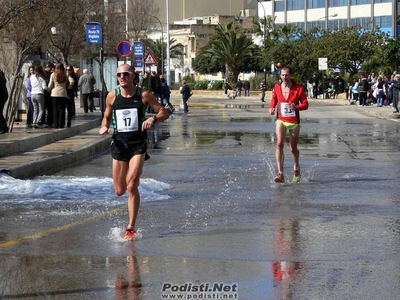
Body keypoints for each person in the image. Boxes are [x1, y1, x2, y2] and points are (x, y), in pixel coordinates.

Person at [99, 64, 169, 240]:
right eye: (119, 74)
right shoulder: (112, 96)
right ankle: (130, 221)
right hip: (119, 145)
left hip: (138, 144)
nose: (122, 77)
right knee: (120, 190)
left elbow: (164, 112)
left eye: (125, 74)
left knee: (132, 185)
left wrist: (152, 118)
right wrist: (104, 127)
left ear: (133, 76)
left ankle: (131, 226)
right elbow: (106, 116)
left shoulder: (143, 95)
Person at [268, 66, 309, 183]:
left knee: (293, 148)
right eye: (282, 75)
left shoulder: (298, 88)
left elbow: (305, 104)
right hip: (281, 119)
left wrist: (296, 107)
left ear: (291, 76)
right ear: (280, 76)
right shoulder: (277, 87)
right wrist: (271, 108)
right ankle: (280, 173)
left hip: (294, 121)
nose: (285, 77)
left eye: (287, 75)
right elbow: (274, 99)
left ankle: (296, 167)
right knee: (279, 143)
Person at [48, 63, 74, 128]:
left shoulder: (53, 74)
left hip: (54, 93)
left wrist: (48, 89)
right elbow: (72, 81)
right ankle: (61, 124)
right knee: (62, 109)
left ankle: (55, 124)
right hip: (63, 93)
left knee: (55, 109)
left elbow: (50, 85)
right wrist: (68, 86)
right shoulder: (65, 74)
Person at [42, 62, 54, 128]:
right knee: (44, 108)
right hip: (45, 93)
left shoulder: (51, 74)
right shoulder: (43, 74)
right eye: (50, 67)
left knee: (49, 109)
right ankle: (44, 121)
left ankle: (49, 121)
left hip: (49, 93)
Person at [0, 69, 9, 134]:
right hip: (3, 95)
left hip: (1, 95)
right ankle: (4, 128)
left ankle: (3, 128)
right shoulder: (1, 75)